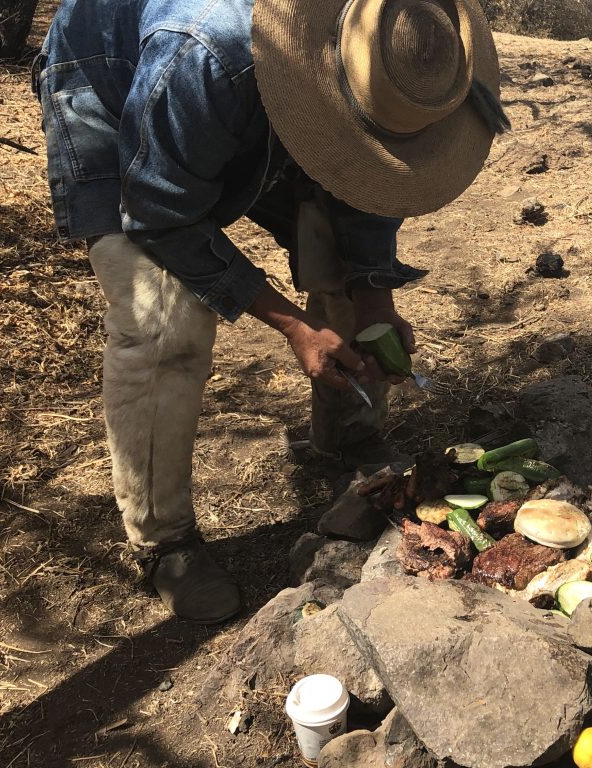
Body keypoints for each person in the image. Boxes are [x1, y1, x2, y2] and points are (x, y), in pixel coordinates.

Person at [34, 0, 508, 623]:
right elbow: (157, 213)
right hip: (115, 82)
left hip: (244, 93)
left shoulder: (392, 54)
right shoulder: (205, 48)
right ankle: (164, 543)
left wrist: (373, 298)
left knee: (336, 259)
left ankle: (350, 433)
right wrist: (293, 325)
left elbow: (371, 180)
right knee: (165, 321)